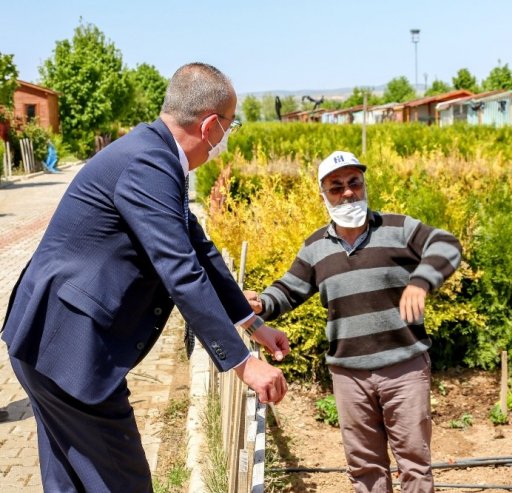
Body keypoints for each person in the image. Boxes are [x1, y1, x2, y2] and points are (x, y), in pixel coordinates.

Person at [1, 63, 289, 492]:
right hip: (69, 348)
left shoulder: (153, 155)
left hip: (51, 341)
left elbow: (201, 250)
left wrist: (252, 324)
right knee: (125, 482)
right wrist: (243, 363)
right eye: (231, 125)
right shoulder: (149, 162)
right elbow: (180, 269)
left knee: (70, 482)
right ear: (210, 125)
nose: (228, 137)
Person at [245, 150, 462, 492]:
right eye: (336, 187)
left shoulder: (398, 228)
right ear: (323, 195)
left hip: (403, 369)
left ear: (364, 185)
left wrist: (421, 280)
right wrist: (259, 304)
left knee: (414, 465)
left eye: (354, 183)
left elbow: (447, 244)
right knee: (364, 467)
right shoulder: (316, 247)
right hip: (349, 375)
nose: (347, 192)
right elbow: (288, 291)